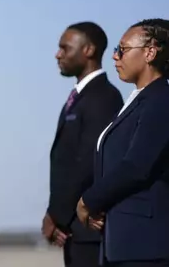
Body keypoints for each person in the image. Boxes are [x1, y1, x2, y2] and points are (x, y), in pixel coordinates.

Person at [77, 18, 169, 267]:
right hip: (122, 244)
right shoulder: (138, 100)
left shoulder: (160, 101)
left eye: (123, 49)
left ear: (150, 52)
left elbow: (137, 165)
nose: (115, 57)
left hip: (145, 247)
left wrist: (88, 201)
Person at [44, 22, 123, 267]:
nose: (58, 54)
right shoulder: (80, 98)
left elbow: (88, 162)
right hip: (74, 228)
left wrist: (55, 214)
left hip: (88, 230)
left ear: (88, 50)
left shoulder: (103, 97)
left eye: (64, 48)